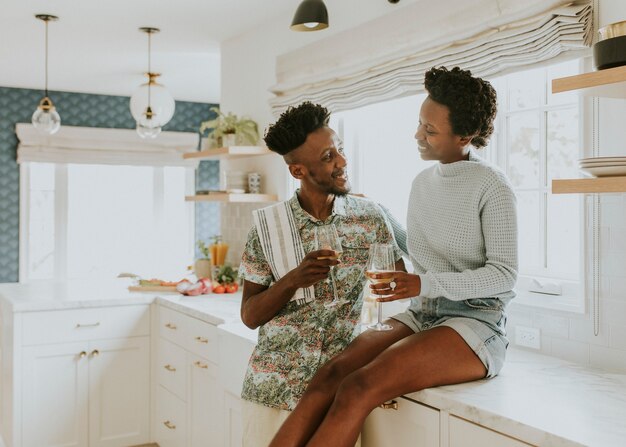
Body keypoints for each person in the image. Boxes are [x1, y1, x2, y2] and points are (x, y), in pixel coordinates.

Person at [269, 66, 518, 447]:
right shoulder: (423, 182)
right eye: (420, 123)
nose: (417, 135)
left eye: (430, 130)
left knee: (359, 386)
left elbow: (504, 275)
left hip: (476, 323)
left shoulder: (492, 187)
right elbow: (418, 247)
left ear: (464, 136)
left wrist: (423, 283)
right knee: (330, 373)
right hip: (425, 313)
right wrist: (377, 210)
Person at [238, 101, 404, 447]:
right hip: (274, 386)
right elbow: (250, 316)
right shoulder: (268, 227)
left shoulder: (369, 217)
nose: (342, 161)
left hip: (339, 395)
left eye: (340, 150)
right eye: (328, 157)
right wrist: (292, 280)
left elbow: (398, 288)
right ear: (298, 171)